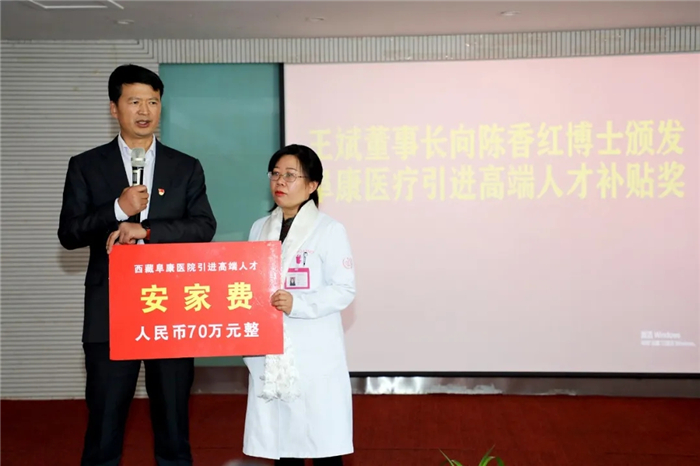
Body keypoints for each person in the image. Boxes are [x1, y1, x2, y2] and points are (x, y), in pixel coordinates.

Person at [57, 64, 217, 466]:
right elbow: (70, 233)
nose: (145, 110)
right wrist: (117, 208)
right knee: (105, 423)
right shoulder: (86, 165)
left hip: (171, 308)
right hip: (110, 310)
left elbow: (203, 226)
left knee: (173, 424)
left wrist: (146, 231)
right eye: (134, 101)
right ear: (114, 108)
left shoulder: (185, 166)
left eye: (153, 102)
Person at [242, 144, 356, 465]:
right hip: (271, 350)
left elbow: (344, 289)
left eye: (290, 175)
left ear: (312, 185)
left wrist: (299, 303)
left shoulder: (329, 230)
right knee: (283, 446)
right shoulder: (259, 228)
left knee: (322, 445)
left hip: (313, 352)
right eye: (275, 174)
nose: (280, 181)